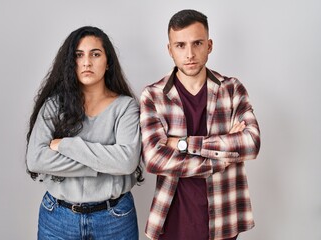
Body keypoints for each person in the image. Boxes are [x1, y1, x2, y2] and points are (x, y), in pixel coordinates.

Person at [140, 9, 261, 240]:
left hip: (223, 216)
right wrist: (218, 159)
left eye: (197, 43)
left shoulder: (232, 88)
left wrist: (182, 144)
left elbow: (251, 143)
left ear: (209, 45)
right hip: (172, 219)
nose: (190, 54)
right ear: (170, 50)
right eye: (180, 45)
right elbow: (154, 159)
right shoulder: (153, 95)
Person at [26, 26, 142, 240]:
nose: (87, 62)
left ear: (108, 62)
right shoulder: (54, 105)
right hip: (58, 217)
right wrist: (105, 163)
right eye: (79, 55)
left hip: (114, 218)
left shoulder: (125, 107)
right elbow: (35, 160)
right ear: (71, 62)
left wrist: (65, 145)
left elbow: (126, 162)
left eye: (95, 54)